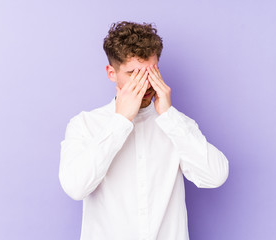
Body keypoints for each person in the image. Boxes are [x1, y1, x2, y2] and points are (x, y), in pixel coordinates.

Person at [59, 21, 229, 240]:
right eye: (133, 73)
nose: (145, 84)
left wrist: (168, 116)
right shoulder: (85, 124)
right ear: (112, 73)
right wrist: (121, 120)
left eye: (150, 72)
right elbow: (75, 187)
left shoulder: (176, 124)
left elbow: (215, 176)